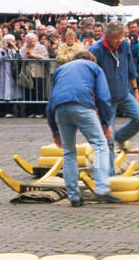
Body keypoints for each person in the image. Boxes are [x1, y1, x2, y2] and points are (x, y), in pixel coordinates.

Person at [45, 49, 118, 207]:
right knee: (100, 145)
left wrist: (54, 130)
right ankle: (101, 188)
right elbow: (103, 96)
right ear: (92, 61)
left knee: (69, 151)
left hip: (59, 109)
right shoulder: (94, 68)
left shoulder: (60, 70)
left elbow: (50, 100)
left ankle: (74, 196)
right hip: (82, 106)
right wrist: (106, 122)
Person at [90, 21, 139, 186]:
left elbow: (130, 68)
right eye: (116, 39)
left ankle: (121, 136)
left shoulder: (124, 45)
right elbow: (91, 77)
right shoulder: (96, 50)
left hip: (124, 93)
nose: (119, 42)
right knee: (107, 138)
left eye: (121, 38)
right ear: (108, 37)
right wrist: (94, 102)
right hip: (105, 99)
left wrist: (136, 90)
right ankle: (109, 176)